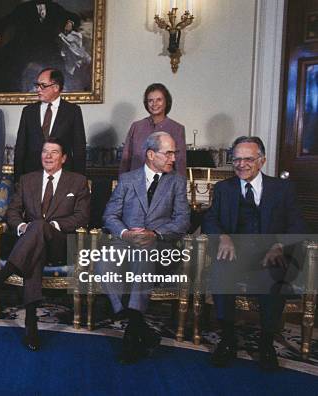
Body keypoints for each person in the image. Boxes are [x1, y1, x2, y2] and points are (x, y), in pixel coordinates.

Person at [202, 136, 307, 371]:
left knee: (276, 273)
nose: (241, 164)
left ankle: (266, 343)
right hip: (236, 253)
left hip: (270, 252)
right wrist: (224, 237)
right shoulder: (224, 188)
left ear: (262, 161)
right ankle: (228, 339)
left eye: (248, 159)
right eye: (236, 159)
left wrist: (279, 244)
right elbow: (210, 219)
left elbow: (297, 225)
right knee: (221, 270)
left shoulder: (282, 189)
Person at [0, 137, 90, 351]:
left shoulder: (77, 181)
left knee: (39, 227)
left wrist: (50, 226)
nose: (47, 156)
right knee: (34, 250)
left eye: (54, 152)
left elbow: (82, 217)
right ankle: (31, 323)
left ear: (64, 158)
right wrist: (21, 227)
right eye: (44, 151)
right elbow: (12, 211)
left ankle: (2, 276)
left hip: (61, 243)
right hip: (32, 243)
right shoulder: (28, 179)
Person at [99, 131, 189, 364]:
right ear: (151, 154)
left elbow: (182, 221)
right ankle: (138, 325)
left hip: (161, 248)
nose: (173, 158)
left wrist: (154, 233)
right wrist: (126, 232)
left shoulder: (177, 182)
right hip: (126, 243)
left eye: (175, 153)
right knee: (102, 260)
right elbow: (109, 215)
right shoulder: (128, 180)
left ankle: (132, 334)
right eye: (168, 153)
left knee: (145, 251)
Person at [0, 0, 81, 92]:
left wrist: (70, 22)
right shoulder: (24, 8)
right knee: (8, 66)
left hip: (47, 46)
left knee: (60, 67)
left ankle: (60, 91)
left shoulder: (54, 7)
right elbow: (7, 20)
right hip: (25, 46)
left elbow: (73, 16)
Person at [14, 67, 86, 181]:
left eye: (42, 85)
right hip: (32, 176)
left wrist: (79, 180)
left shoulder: (72, 111)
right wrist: (18, 179)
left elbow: (79, 148)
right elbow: (20, 148)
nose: (38, 89)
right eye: (37, 85)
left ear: (56, 87)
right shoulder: (28, 111)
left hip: (63, 176)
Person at [119, 83, 186, 177]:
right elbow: (126, 161)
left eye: (159, 100)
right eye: (150, 100)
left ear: (166, 102)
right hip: (136, 185)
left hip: (165, 186)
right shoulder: (136, 127)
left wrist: (180, 189)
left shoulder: (177, 129)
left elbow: (180, 163)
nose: (154, 104)